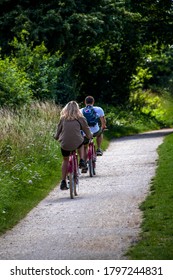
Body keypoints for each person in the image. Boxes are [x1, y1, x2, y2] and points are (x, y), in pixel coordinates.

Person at [54, 101, 92, 190]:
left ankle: (63, 181)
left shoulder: (63, 118)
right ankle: (82, 160)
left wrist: (56, 137)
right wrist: (90, 136)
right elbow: (87, 131)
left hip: (65, 144)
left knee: (65, 160)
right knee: (81, 143)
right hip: (77, 143)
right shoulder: (81, 118)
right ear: (77, 109)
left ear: (66, 109)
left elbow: (57, 133)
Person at [81, 95, 106, 161]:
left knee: (85, 147)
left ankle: (84, 165)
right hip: (95, 131)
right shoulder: (99, 109)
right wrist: (103, 127)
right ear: (93, 102)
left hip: (85, 133)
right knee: (100, 133)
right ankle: (99, 149)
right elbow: (103, 121)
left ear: (85, 102)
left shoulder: (80, 111)